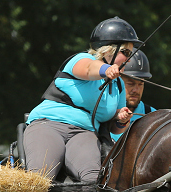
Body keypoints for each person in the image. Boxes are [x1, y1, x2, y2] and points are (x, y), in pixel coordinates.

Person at [23, 16, 142, 182]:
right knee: (39, 178)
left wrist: (120, 118)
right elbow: (88, 69)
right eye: (126, 52)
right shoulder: (81, 59)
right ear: (109, 50)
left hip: (84, 133)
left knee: (93, 180)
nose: (129, 59)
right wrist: (106, 70)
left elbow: (116, 129)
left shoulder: (119, 85)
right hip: (49, 124)